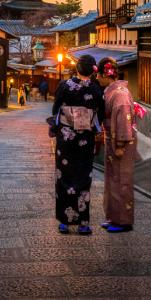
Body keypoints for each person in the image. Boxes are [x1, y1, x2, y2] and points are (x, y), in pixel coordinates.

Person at [49, 54, 105, 235]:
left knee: (64, 176)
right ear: (93, 71)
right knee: (83, 177)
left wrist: (59, 126)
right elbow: (100, 114)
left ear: (77, 68)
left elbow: (56, 109)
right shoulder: (96, 89)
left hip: (66, 138)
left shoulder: (64, 86)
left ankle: (64, 222)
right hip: (85, 139)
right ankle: (83, 223)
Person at [97, 57, 135, 233]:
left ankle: (123, 221)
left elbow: (123, 120)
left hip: (120, 141)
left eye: (99, 75)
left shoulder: (120, 94)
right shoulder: (112, 91)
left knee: (122, 180)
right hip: (112, 138)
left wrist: (120, 144)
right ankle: (113, 216)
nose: (97, 78)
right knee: (112, 179)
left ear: (106, 74)